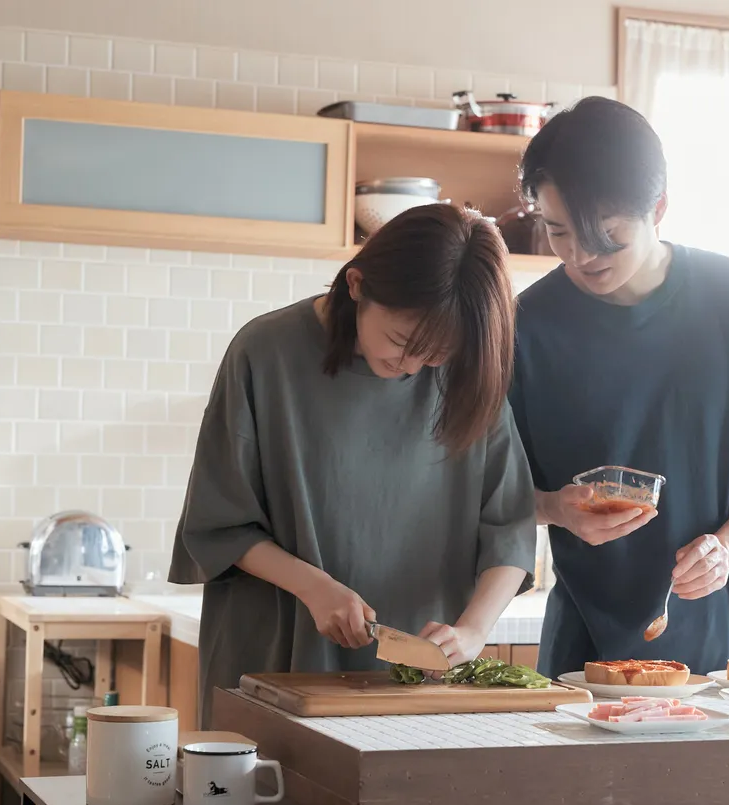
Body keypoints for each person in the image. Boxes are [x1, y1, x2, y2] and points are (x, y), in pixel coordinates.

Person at [509, 97, 729, 679]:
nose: (581, 255)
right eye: (558, 231)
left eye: (606, 234)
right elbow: (484, 487)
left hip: (727, 635)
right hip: (584, 645)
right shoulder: (525, 327)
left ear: (658, 208)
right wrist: (554, 509)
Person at [170, 203, 536, 727]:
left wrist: (474, 630)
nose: (411, 367)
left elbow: (510, 527)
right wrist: (315, 587)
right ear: (359, 285)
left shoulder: (464, 373)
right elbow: (218, 525)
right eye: (402, 343)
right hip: (275, 658)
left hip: (413, 677)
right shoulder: (265, 353)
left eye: (434, 357)